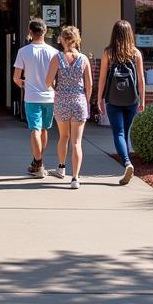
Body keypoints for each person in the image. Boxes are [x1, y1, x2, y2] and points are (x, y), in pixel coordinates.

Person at [97, 20, 145, 185]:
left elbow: (102, 77)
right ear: (130, 34)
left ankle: (126, 162)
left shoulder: (108, 52)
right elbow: (140, 79)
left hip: (113, 99)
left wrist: (99, 99)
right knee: (125, 132)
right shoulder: (136, 53)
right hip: (132, 99)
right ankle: (127, 162)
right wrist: (142, 100)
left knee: (118, 133)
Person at [44, 25, 92, 189]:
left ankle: (61, 167)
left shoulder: (57, 58)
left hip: (62, 100)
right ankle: (76, 178)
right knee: (76, 142)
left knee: (63, 136)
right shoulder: (84, 59)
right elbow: (89, 84)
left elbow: (48, 81)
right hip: (79, 101)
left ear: (63, 40)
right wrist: (86, 101)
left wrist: (56, 87)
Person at [12, 17, 59, 178]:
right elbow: (57, 77)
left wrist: (25, 85)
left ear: (30, 32)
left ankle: (38, 164)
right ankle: (37, 162)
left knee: (35, 130)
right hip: (49, 96)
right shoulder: (54, 52)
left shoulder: (23, 51)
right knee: (44, 129)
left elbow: (16, 78)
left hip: (32, 97)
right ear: (45, 32)